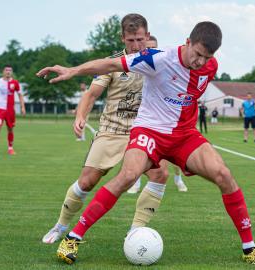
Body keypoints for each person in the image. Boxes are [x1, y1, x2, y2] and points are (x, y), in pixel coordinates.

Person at [37, 21, 255, 266]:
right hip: (150, 130)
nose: (200, 61)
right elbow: (112, 64)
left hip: (183, 134)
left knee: (224, 175)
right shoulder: (158, 59)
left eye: (207, 57)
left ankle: (249, 248)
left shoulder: (210, 66)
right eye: (197, 54)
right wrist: (73, 70)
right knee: (128, 175)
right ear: (187, 42)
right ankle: (73, 237)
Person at [41, 13, 170, 244]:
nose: (136, 45)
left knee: (160, 174)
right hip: (112, 130)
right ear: (123, 38)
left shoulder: (160, 62)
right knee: (87, 182)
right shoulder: (111, 64)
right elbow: (91, 94)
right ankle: (60, 225)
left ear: (147, 36)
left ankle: (135, 232)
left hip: (144, 132)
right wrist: (80, 116)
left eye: (140, 39)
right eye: (131, 40)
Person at [127, 35, 188, 194]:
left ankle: (178, 178)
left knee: (174, 158)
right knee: (138, 152)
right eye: (148, 48)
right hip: (143, 119)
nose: (151, 51)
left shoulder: (163, 67)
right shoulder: (137, 67)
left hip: (166, 121)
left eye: (154, 47)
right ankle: (136, 181)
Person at [0, 65, 25, 155]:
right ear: (3, 71)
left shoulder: (15, 83)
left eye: (10, 70)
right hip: (0, 109)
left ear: (12, 72)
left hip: (10, 110)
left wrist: (22, 107)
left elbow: (20, 95)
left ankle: (10, 148)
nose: (8, 72)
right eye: (6, 70)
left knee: (10, 129)